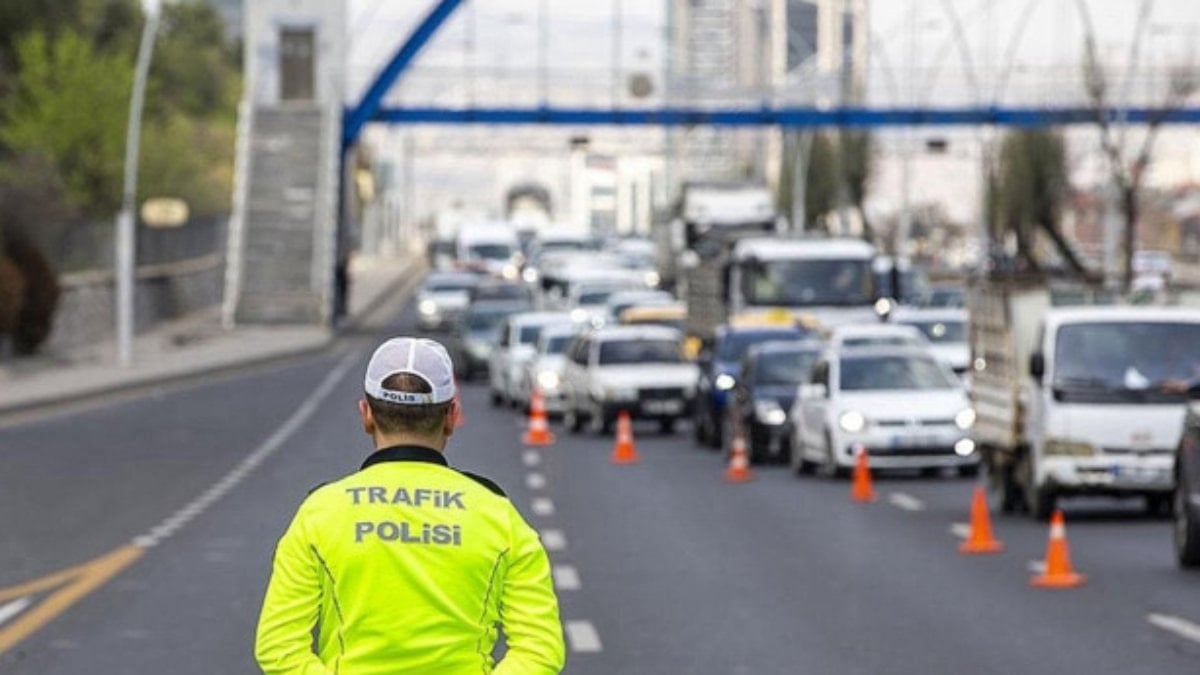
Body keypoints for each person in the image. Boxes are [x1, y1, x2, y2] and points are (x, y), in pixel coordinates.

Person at [255, 337, 566, 674]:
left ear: (367, 415)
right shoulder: (498, 514)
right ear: (451, 416)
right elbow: (540, 650)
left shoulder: (320, 513)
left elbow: (278, 646)